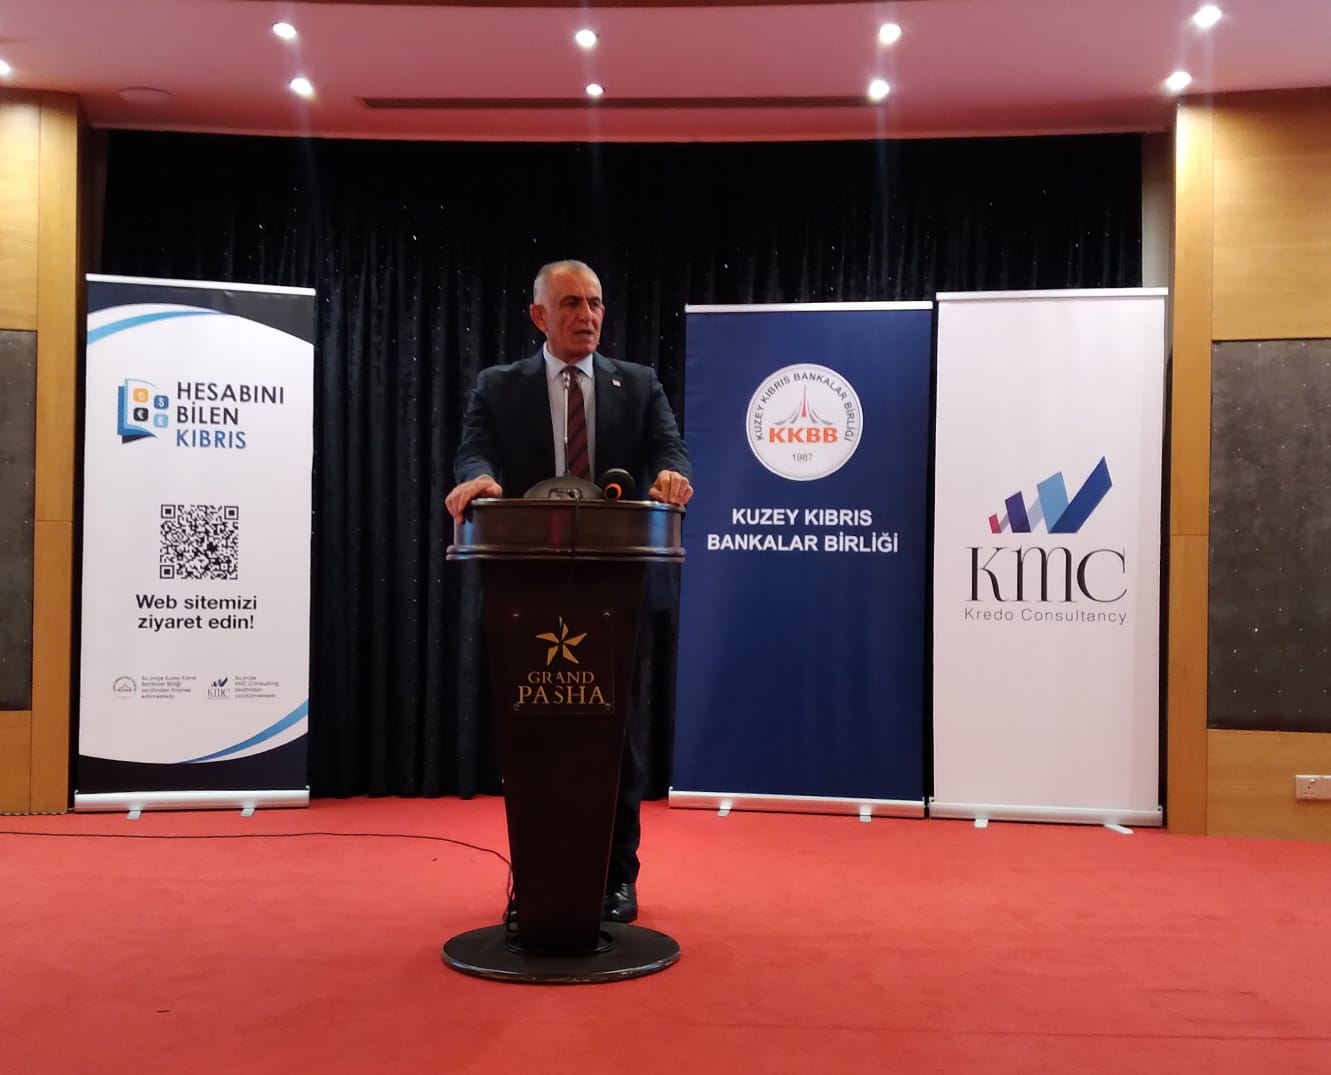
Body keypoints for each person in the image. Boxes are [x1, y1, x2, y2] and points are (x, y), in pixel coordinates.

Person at [445, 259, 693, 923]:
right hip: (525, 589)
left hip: (617, 588)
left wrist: (670, 476)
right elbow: (475, 452)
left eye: (595, 303)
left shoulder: (637, 384)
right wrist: (479, 480)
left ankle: (615, 879)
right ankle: (535, 884)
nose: (587, 315)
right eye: (571, 304)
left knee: (617, 738)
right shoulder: (499, 386)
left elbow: (669, 451)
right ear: (539, 316)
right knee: (533, 739)